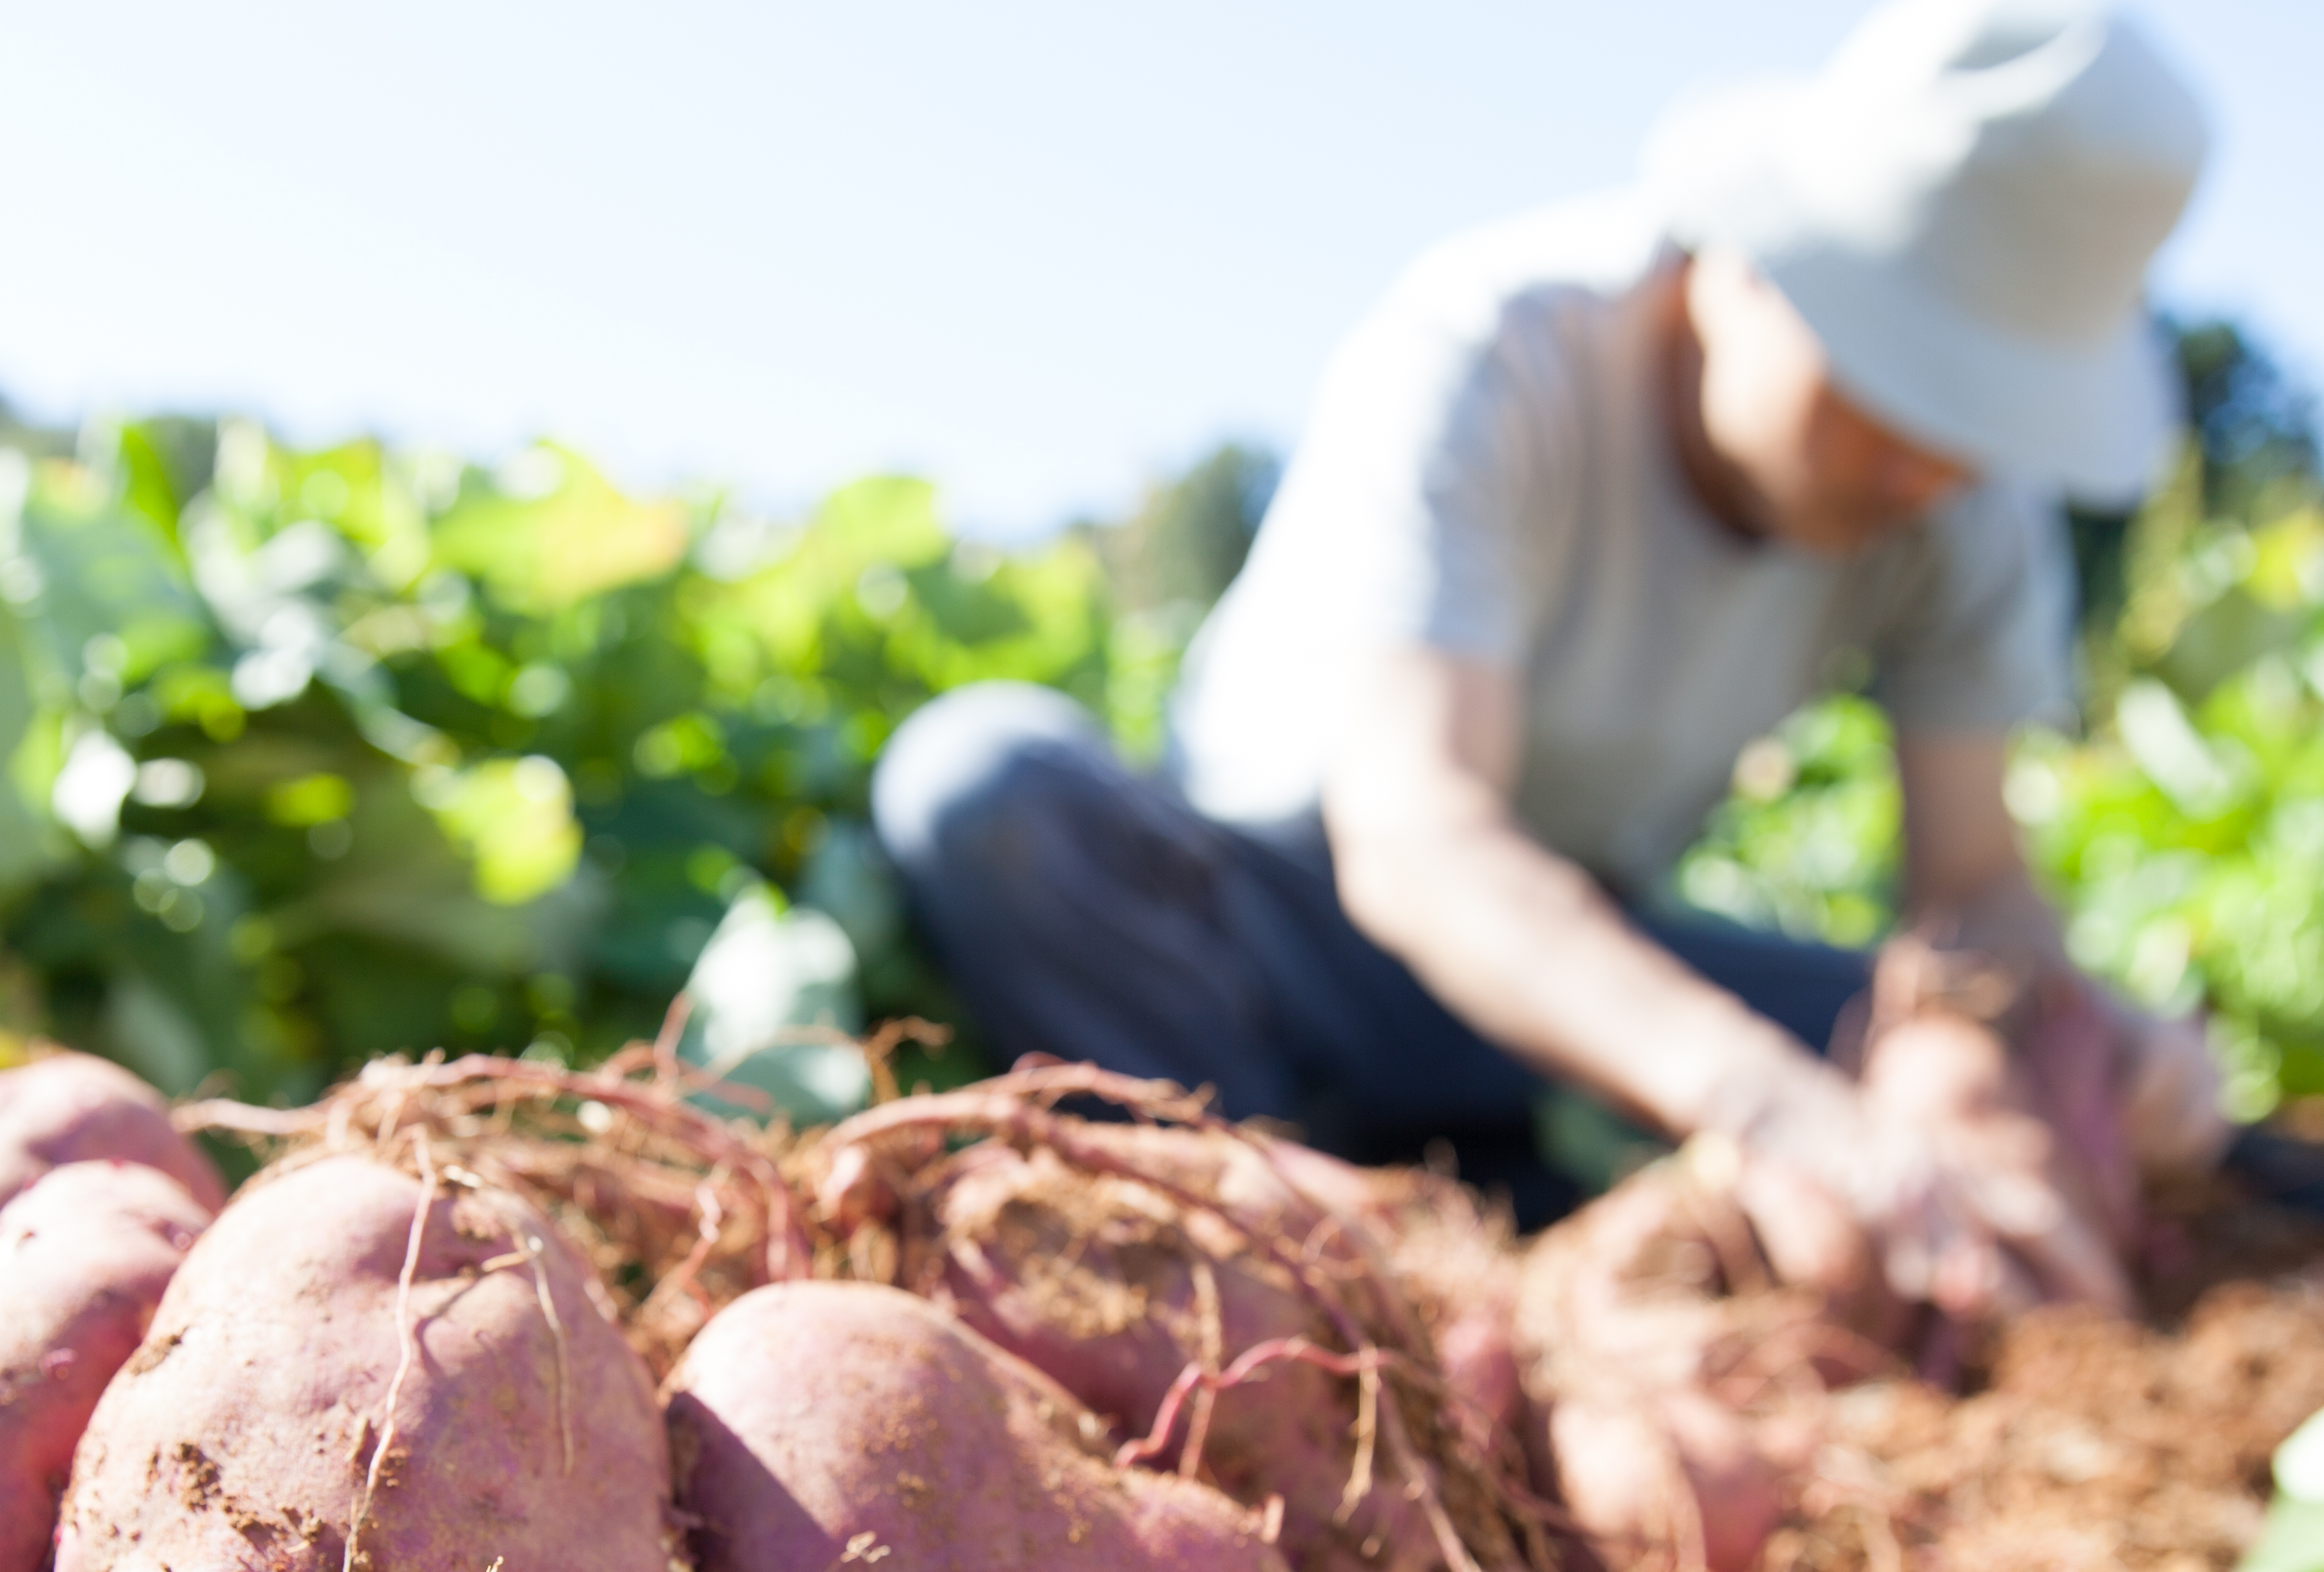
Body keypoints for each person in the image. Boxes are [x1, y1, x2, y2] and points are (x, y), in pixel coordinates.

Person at [874, 0, 2229, 1317]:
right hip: (1271, 927)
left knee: (2062, 1041)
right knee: (983, 790)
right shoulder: (1499, 351)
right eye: (1890, 389)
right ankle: (1291, 1223)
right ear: (1763, 255)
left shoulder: (1958, 509)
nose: (1923, 465)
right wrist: (1767, 1105)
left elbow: (1974, 887)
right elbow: (1416, 840)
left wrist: (2005, 1049)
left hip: (1585, 961)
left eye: (1971, 421)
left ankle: (1502, 1206)